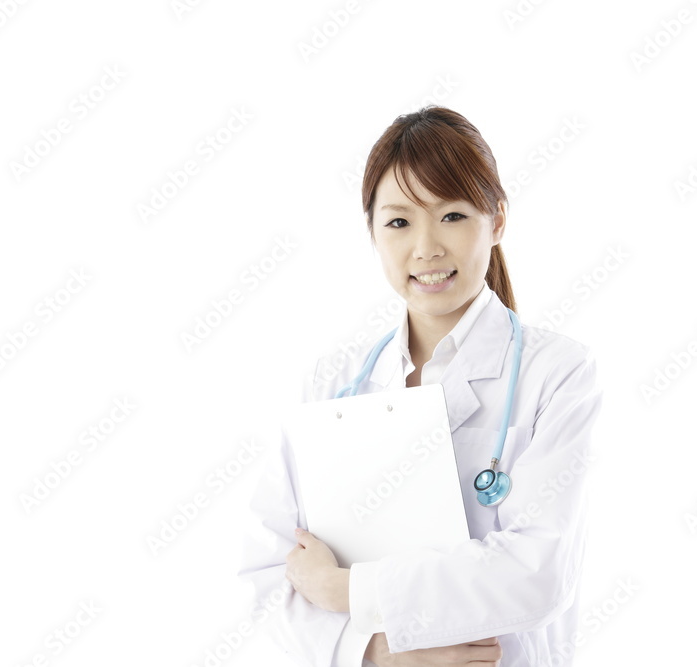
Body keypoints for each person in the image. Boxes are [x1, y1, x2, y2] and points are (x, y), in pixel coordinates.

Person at [237, 106, 603, 666]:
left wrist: (348, 590)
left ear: (497, 220)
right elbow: (268, 574)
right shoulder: (332, 383)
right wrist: (380, 654)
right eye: (399, 222)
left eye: (452, 215)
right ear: (372, 231)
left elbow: (536, 573)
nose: (426, 247)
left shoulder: (557, 374)